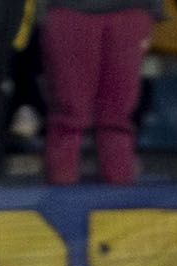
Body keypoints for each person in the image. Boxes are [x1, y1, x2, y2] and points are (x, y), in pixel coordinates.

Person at [35, 0, 150, 183]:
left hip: (131, 11)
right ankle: (59, 188)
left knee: (117, 117)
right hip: (66, 11)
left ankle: (120, 188)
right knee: (69, 113)